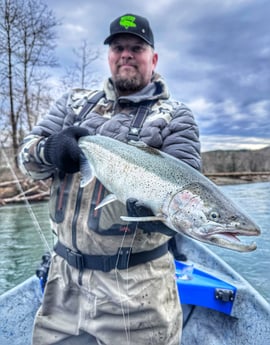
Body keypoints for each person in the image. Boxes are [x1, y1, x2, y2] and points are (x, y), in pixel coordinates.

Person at [18, 13, 201, 345]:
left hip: (138, 291)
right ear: (109, 55)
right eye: (118, 47)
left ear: (153, 57)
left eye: (136, 47)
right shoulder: (72, 105)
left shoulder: (176, 116)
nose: (126, 54)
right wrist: (50, 149)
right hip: (63, 285)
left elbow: (184, 198)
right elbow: (26, 158)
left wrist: (155, 213)